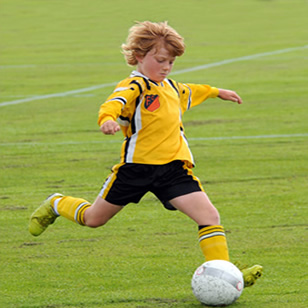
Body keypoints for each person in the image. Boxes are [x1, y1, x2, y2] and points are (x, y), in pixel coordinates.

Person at [29, 21, 262, 287]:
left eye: (171, 62)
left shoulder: (172, 88)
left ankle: (226, 273)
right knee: (94, 219)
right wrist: (107, 119)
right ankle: (56, 203)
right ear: (140, 56)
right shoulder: (135, 86)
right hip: (135, 170)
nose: (166, 67)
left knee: (209, 217)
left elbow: (193, 90)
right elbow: (114, 102)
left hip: (173, 170)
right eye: (161, 60)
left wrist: (218, 92)